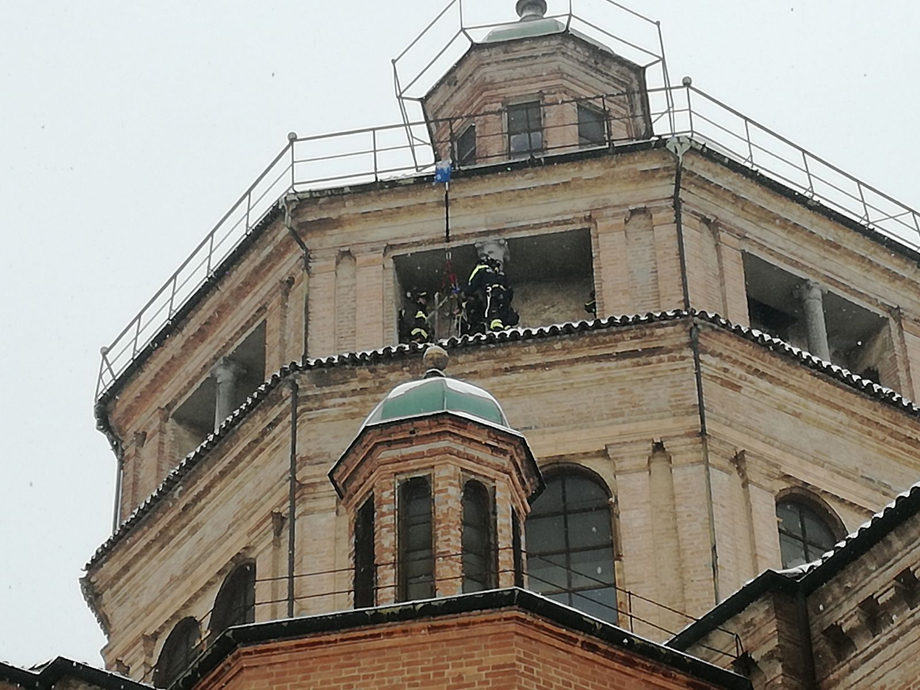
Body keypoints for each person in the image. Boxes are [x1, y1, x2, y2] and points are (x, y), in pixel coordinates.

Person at [462, 256, 518, 333]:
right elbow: (509, 289)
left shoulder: (481, 269)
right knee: (503, 308)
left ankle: (496, 325)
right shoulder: (501, 273)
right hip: (503, 293)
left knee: (492, 309)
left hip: (491, 292)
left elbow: (472, 284)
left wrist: (466, 292)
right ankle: (506, 326)